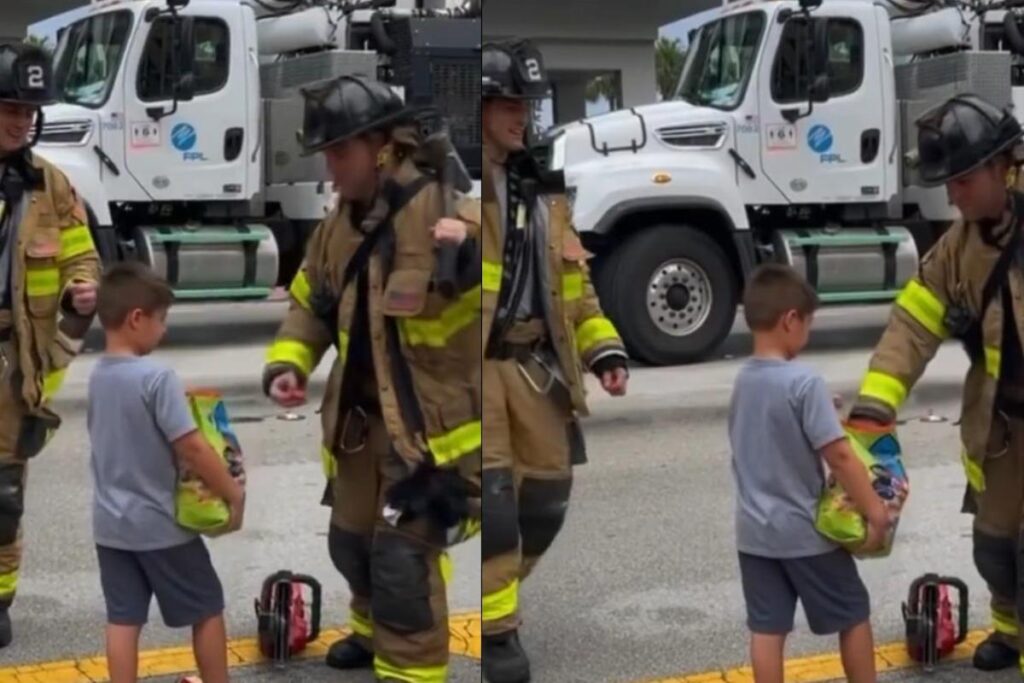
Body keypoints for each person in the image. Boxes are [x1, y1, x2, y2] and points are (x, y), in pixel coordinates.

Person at [263, 75, 481, 683]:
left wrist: (472, 250)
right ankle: (368, 631)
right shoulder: (341, 223)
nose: (331, 170)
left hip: (426, 435)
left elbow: (510, 266)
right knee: (351, 545)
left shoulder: (444, 207)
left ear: (381, 146)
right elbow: (310, 301)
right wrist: (289, 363)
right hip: (360, 427)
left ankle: (411, 672)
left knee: (403, 565)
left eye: (339, 153)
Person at [848, 93, 1024, 675]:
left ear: (1005, 166)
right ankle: (1009, 630)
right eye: (947, 182)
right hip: (1003, 426)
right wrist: (877, 404)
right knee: (995, 547)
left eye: (963, 179)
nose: (951, 193)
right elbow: (913, 324)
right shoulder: (960, 246)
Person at [481, 39, 629, 683]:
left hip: (535, 368)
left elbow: (577, 289)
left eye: (528, 103)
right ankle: (496, 631)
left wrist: (605, 350)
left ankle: (497, 600)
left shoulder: (543, 187)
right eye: (510, 102)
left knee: (545, 499)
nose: (523, 115)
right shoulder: (453, 186)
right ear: (479, 107)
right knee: (492, 505)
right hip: (473, 370)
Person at [730, 263, 888, 683]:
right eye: (808, 324)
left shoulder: (744, 380)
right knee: (853, 611)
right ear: (790, 320)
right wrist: (874, 510)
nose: (808, 334)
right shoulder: (804, 382)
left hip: (754, 535)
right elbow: (839, 456)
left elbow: (771, 426)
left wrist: (822, 409)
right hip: (805, 535)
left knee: (767, 629)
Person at [88, 262, 244, 683]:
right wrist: (232, 492)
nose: (164, 331)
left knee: (123, 618)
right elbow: (191, 446)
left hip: (110, 526)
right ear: (137, 318)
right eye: (161, 320)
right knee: (207, 605)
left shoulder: (98, 376)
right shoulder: (157, 377)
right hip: (160, 526)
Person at [0, 43, 100, 647]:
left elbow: (80, 250)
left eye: (30, 109)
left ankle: (0, 601)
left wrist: (83, 285)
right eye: (10, 106)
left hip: (14, 364)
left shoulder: (50, 184)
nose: (22, 119)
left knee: (3, 495)